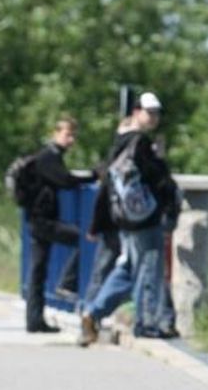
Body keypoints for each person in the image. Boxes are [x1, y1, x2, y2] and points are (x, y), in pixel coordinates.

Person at [79, 92, 178, 346]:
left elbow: (106, 183)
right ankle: (145, 323)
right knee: (149, 267)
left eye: (157, 113)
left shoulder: (119, 142)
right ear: (136, 112)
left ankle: (93, 311)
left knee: (127, 268)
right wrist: (166, 181)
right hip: (145, 217)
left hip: (125, 218)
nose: (154, 117)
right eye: (149, 112)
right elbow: (156, 178)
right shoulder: (140, 143)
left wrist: (99, 221)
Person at [24, 116, 98, 333]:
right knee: (83, 238)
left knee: (38, 270)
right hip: (43, 220)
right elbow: (64, 181)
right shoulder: (49, 156)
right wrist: (92, 177)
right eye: (67, 134)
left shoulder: (49, 156)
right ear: (55, 133)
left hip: (39, 219)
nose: (71, 139)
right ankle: (68, 282)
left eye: (73, 135)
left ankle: (34, 319)